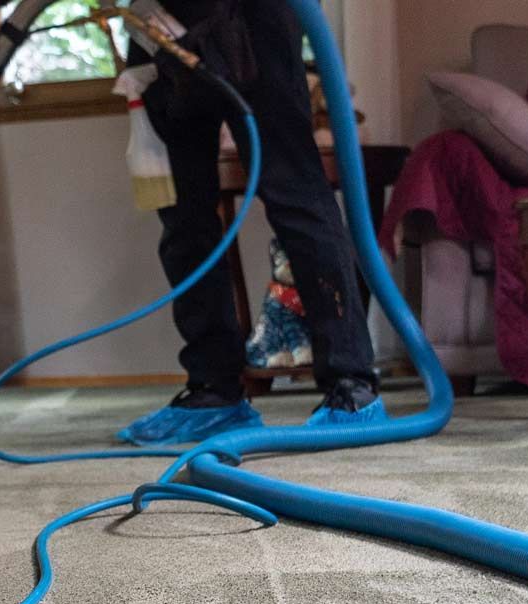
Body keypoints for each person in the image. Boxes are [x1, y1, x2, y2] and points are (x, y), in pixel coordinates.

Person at [120, 0, 382, 443]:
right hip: (157, 22)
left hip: (252, 16)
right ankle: (213, 390)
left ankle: (351, 385)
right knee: (182, 214)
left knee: (293, 193)